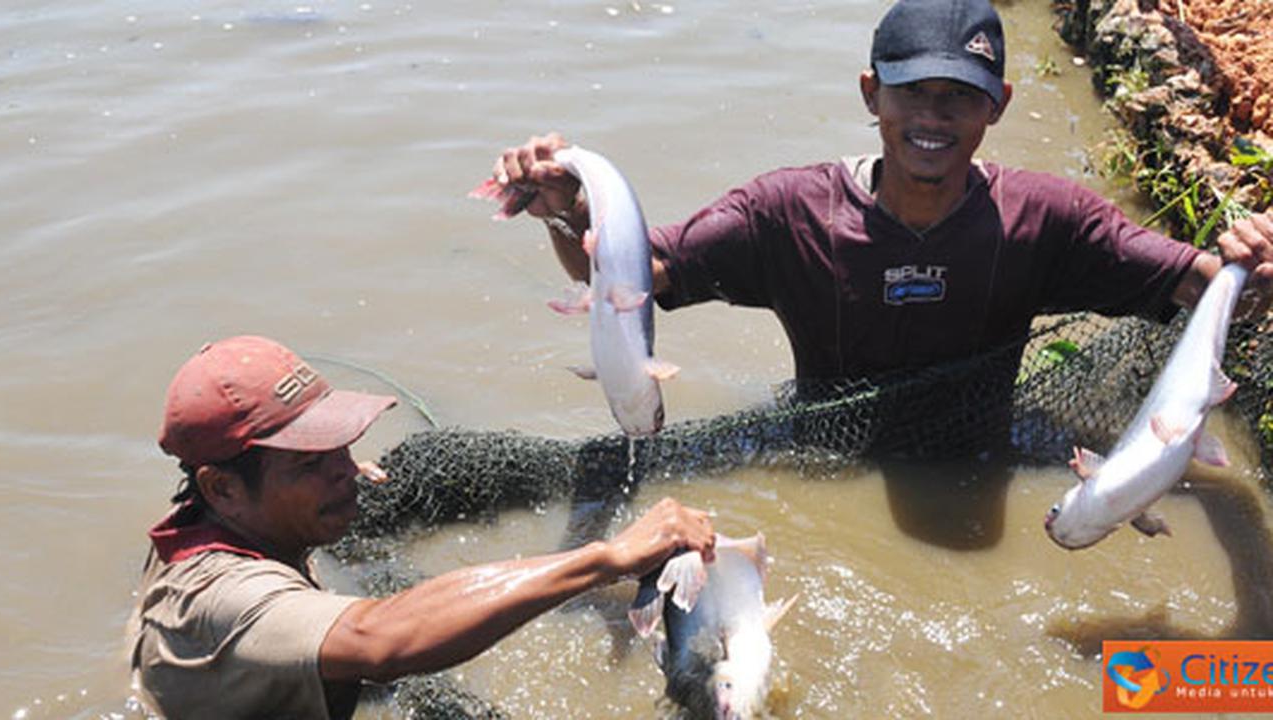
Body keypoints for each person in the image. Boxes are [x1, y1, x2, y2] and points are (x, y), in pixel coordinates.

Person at [488, 0, 1273, 387]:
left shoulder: (1048, 218)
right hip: (819, 454)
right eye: (912, 93)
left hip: (980, 453)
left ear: (996, 105)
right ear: (872, 94)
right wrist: (567, 207)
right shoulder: (785, 213)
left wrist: (1255, 267)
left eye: (959, 97)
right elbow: (628, 278)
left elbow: (1203, 289)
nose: (933, 118)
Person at [128, 335, 716, 719]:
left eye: (341, 446)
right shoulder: (221, 600)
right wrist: (607, 558)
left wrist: (319, 476)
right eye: (310, 462)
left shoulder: (212, 523)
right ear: (222, 488)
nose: (342, 470)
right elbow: (378, 640)